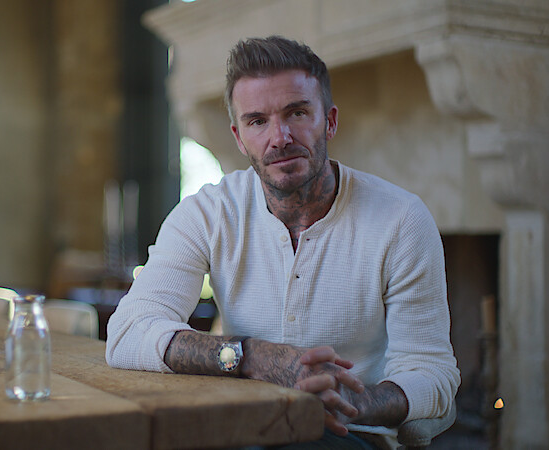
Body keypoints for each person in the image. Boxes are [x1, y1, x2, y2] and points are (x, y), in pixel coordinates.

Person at [106, 36, 459, 449]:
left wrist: (353, 402)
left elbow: (433, 371)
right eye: (258, 121)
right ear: (239, 138)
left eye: (297, 113)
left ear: (329, 121)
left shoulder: (401, 219)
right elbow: (128, 333)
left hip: (352, 435)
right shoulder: (206, 213)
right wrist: (253, 357)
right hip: (244, 426)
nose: (280, 137)